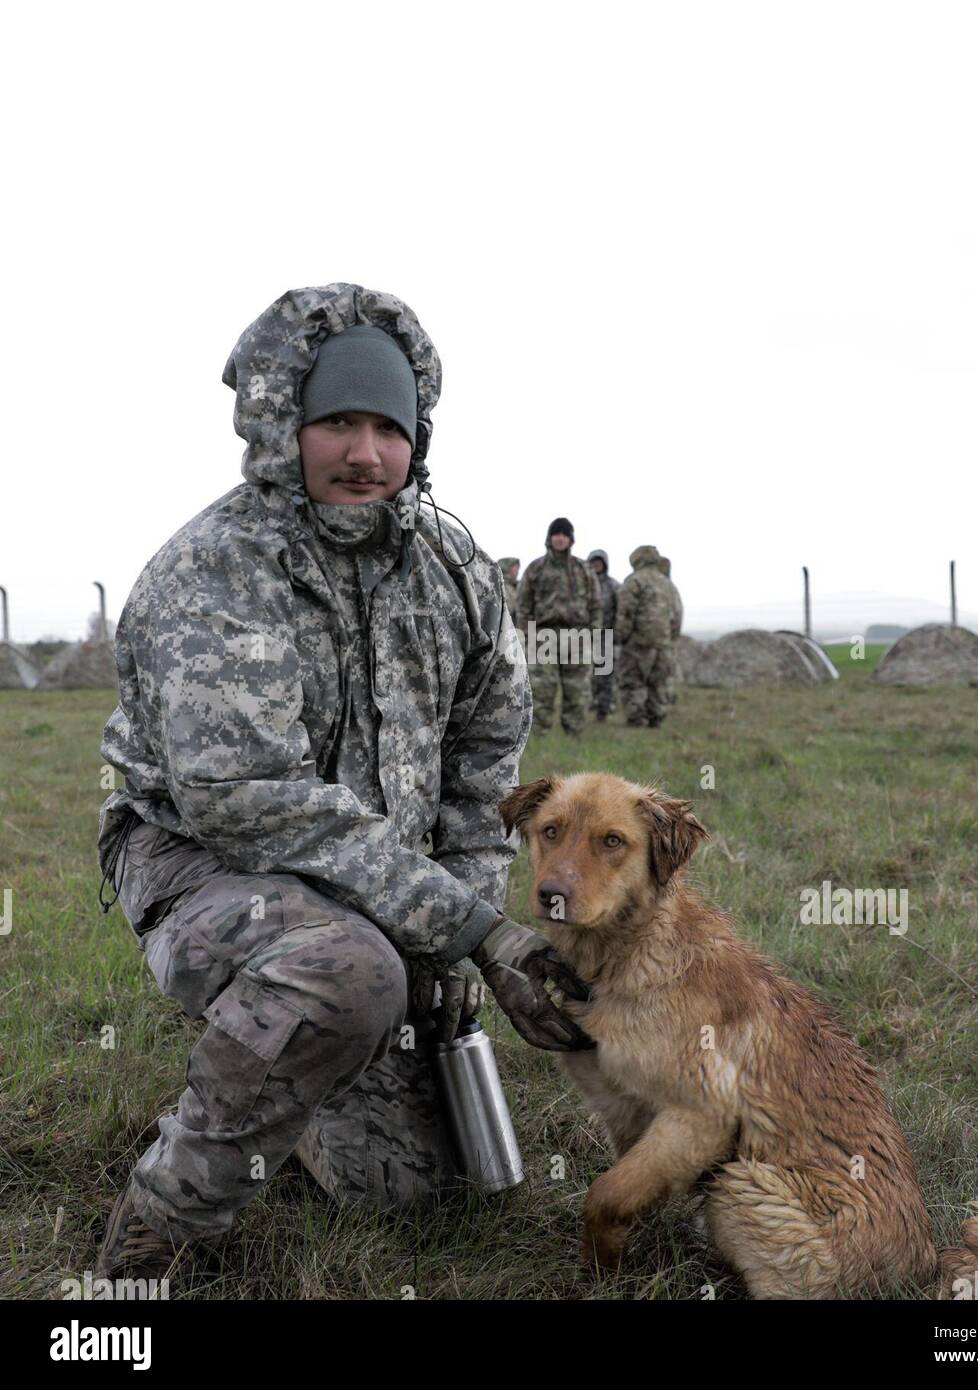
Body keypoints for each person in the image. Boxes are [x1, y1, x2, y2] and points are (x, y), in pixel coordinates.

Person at [94, 283, 590, 1279]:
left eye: (387, 428)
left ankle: (289, 1074)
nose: (365, 453)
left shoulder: (456, 572)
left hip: (384, 888)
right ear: (285, 424)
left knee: (410, 1192)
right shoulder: (211, 575)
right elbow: (250, 803)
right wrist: (473, 931)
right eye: (337, 423)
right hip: (198, 861)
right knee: (347, 976)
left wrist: (459, 937)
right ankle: (154, 1226)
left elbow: (483, 768)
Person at [515, 518, 602, 736]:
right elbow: (523, 604)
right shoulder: (536, 568)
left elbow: (595, 604)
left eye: (565, 534)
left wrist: (594, 634)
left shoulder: (584, 569)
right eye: (556, 534)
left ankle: (574, 734)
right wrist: (527, 634)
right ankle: (538, 734)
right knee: (541, 689)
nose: (560, 538)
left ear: (571, 539)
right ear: (550, 537)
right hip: (544, 636)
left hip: (578, 637)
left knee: (577, 690)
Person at [615, 545, 681, 728]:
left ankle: (636, 718)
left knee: (632, 681)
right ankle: (656, 718)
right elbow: (677, 613)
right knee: (658, 682)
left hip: (638, 643)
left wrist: (621, 636)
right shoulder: (668, 584)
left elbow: (625, 613)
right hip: (663, 643)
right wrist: (671, 638)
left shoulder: (633, 581)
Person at [587, 549, 621, 722]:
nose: (596, 565)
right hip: (583, 637)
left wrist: (617, 635)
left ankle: (603, 710)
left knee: (605, 676)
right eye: (593, 562)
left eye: (599, 562)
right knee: (584, 675)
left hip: (606, 636)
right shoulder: (582, 584)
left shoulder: (613, 586)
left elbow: (621, 612)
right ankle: (586, 704)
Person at [656, 554, 684, 705]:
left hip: (664, 635)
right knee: (666, 669)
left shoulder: (667, 589)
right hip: (667, 635)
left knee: (665, 670)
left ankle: (666, 696)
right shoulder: (670, 589)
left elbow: (677, 614)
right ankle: (666, 696)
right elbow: (678, 613)